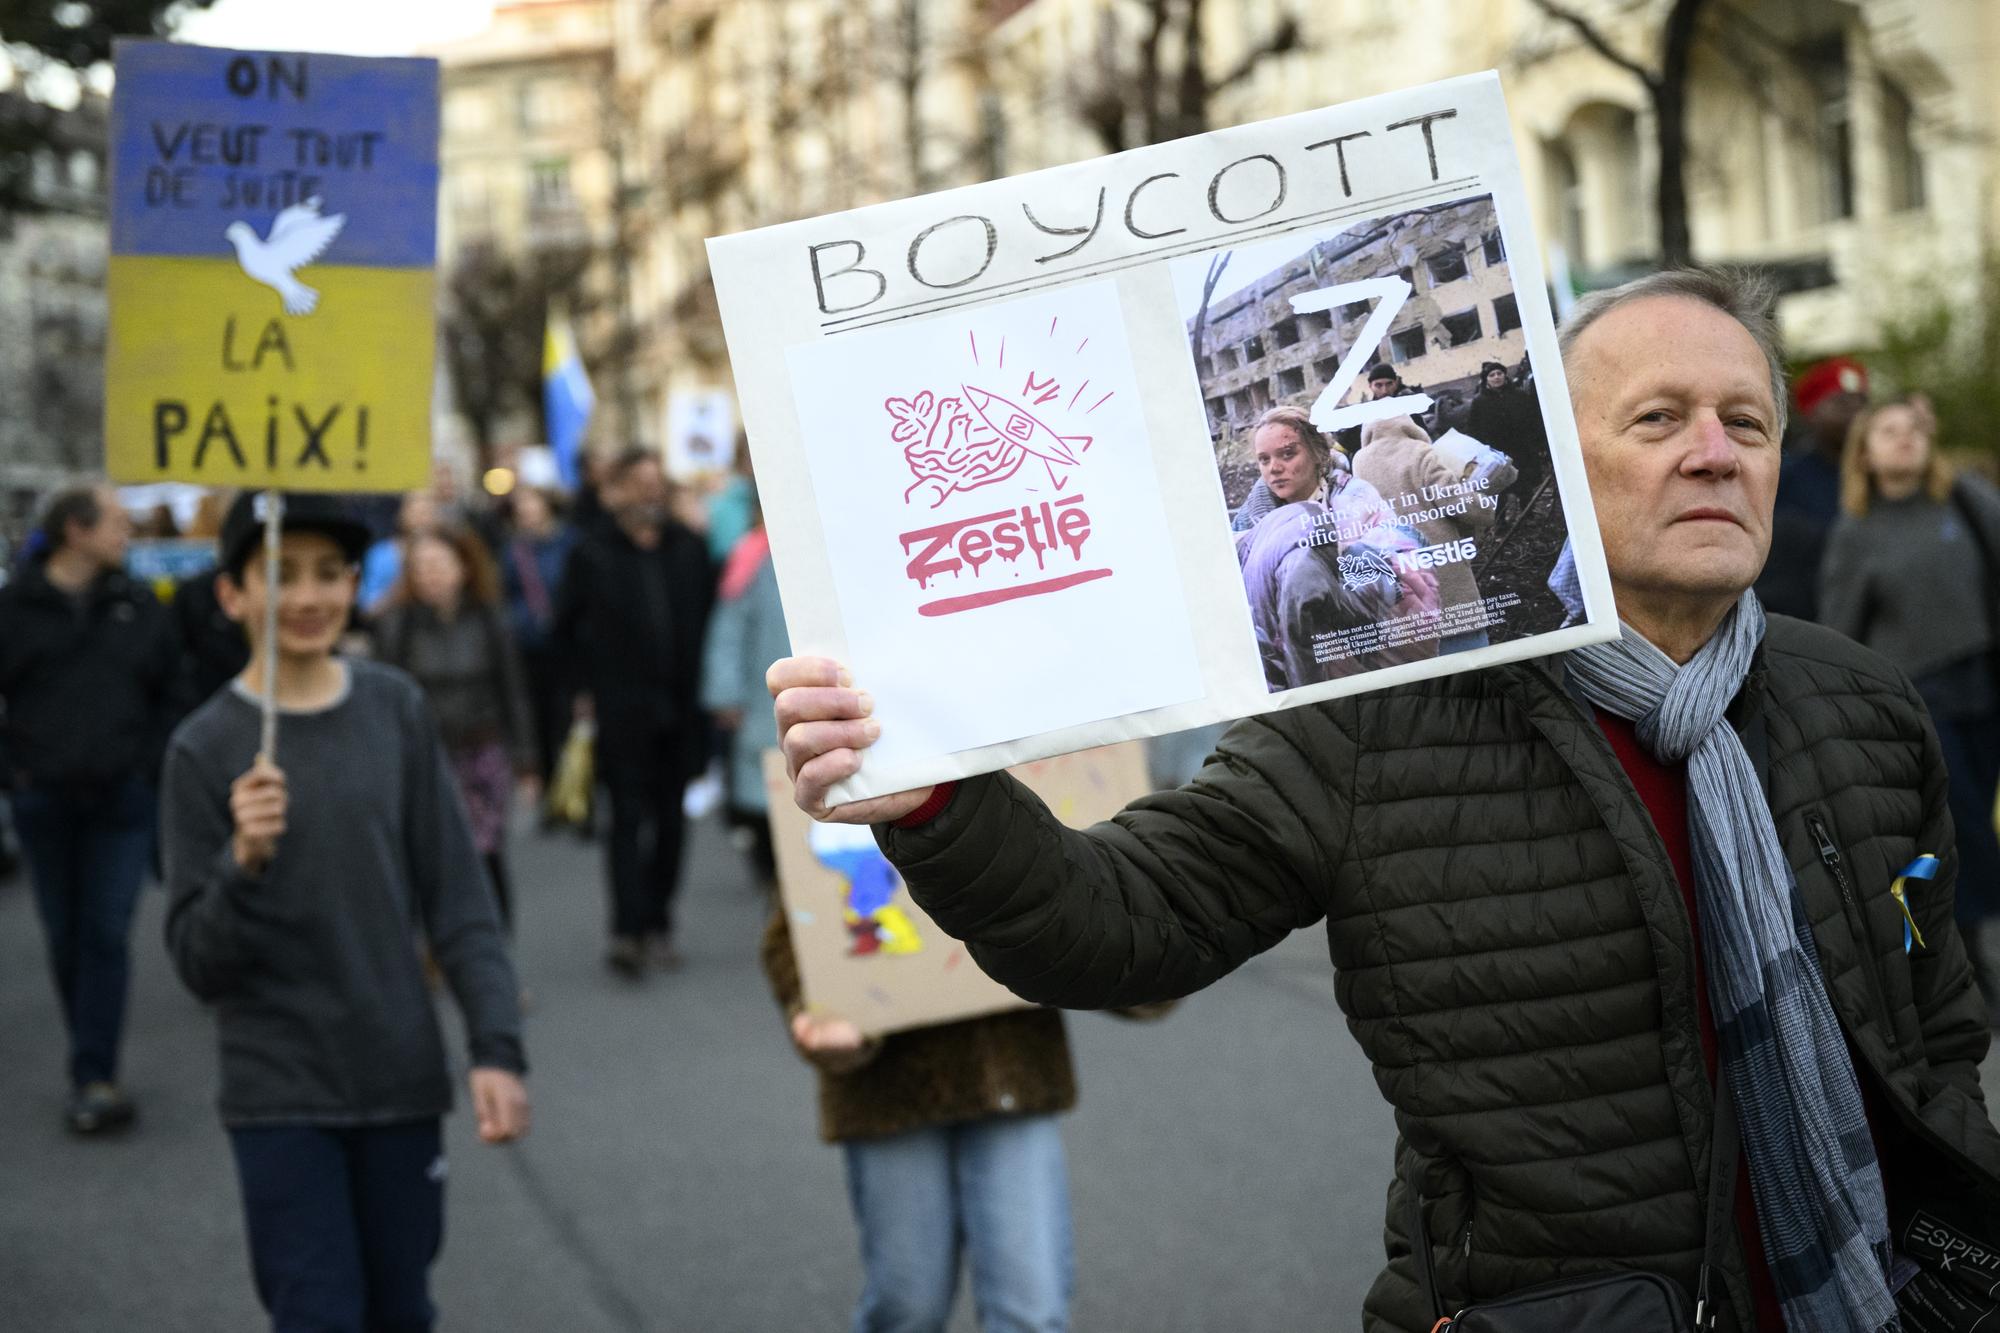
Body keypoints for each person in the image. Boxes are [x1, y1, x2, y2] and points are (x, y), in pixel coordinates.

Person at [771, 269, 2000, 1332]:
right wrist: (940, 799)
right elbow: (1116, 922)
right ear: (1558, 465)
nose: (1713, 452)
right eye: (1658, 418)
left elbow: (1933, 1020)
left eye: (1746, 421)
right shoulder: (1378, 714)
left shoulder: (1858, 701)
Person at [161, 491, 528, 1333]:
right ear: (231, 594)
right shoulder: (202, 748)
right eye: (280, 574)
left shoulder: (392, 706)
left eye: (331, 573)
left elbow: (457, 896)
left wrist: (495, 1045)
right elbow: (194, 959)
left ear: (358, 584)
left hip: (398, 1074)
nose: (309, 596)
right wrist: (240, 862)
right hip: (279, 1090)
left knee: (402, 1310)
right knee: (318, 1315)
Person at [0, 484, 181, 1133]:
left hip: (122, 797)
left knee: (106, 930)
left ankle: (93, 1071)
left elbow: (171, 689)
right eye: (115, 523)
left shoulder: (136, 604)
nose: (126, 533)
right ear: (75, 531)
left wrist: (147, 762)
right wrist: (14, 775)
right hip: (44, 797)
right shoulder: (16, 607)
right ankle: (90, 1052)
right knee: (65, 934)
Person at [1819, 399, 2000, 1012]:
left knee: (1983, 824)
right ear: (1863, 452)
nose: (1903, 442)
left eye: (1912, 431)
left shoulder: (1965, 502)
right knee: (1964, 830)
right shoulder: (1856, 530)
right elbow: (1840, 632)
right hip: (1922, 703)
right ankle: (1973, 968)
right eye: (1887, 433)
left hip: (1983, 684)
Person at [554, 446, 715, 977]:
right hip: (620, 713)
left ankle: (659, 920)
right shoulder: (591, 554)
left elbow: (711, 626)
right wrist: (579, 694)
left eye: (656, 481)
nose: (650, 492)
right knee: (625, 819)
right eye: (637, 482)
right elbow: (564, 634)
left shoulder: (690, 549)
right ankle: (627, 929)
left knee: (672, 819)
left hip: (682, 710)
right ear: (615, 491)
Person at [373, 525, 537, 931]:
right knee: (425, 854)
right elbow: (383, 700)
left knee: (482, 854)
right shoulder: (397, 624)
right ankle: (432, 949)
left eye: (437, 564)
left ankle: (493, 951)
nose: (428, 574)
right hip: (423, 756)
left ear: (463, 568)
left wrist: (527, 761)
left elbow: (514, 693)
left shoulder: (490, 620)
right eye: (419, 566)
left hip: (482, 753)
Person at [1353, 413, 1511, 653]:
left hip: (1396, 571)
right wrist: (1485, 504)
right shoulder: (1420, 452)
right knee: (1470, 652)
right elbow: (1455, 502)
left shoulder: (1360, 461)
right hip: (1439, 565)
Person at [702, 499, 789, 883]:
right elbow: (728, 632)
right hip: (765, 702)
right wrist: (725, 694)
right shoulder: (753, 557)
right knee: (772, 804)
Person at [1758, 356, 1870, 622]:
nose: (1855, 412)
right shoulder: (1785, 478)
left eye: (1861, 402)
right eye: (1842, 402)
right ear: (1812, 411)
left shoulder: (1879, 476)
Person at [498, 487, 577, 789]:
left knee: (568, 716)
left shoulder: (568, 543)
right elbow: (505, 593)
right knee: (539, 715)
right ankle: (549, 781)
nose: (528, 511)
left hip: (566, 643)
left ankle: (575, 785)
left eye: (533, 503)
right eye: (522, 507)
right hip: (529, 644)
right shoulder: (514, 550)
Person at [1464, 359, 1551, 523]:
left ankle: (1527, 516)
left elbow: (1533, 420)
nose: (1496, 377)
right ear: (1486, 379)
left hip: (1521, 449)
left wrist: (1539, 444)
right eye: (1492, 375)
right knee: (1498, 487)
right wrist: (1478, 451)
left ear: (1505, 375)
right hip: (1496, 454)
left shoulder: (1519, 395)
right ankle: (1500, 522)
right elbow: (1473, 428)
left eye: (1499, 373)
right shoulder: (1479, 402)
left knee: (1524, 483)